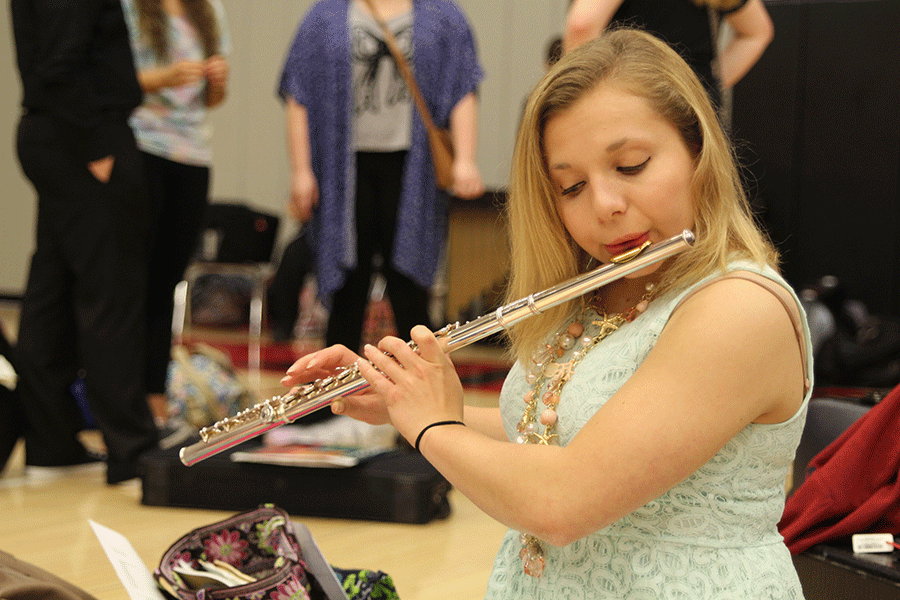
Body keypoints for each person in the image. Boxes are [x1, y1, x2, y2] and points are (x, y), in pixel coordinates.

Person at [283, 29, 812, 598]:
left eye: (631, 166)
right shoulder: (597, 295)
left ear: (698, 151)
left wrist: (431, 427)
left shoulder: (740, 309)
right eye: (572, 186)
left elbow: (562, 501)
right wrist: (406, 398)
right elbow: (554, 433)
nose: (605, 206)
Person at [278, 0, 485, 358]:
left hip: (412, 168)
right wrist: (301, 171)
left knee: (409, 282)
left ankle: (426, 387)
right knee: (347, 281)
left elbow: (462, 88)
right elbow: (299, 95)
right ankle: (333, 394)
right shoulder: (325, 17)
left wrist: (466, 160)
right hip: (343, 170)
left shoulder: (442, 16)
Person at [11, 0, 159, 484]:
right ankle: (131, 449)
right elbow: (60, 64)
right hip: (82, 136)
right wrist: (97, 146)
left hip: (63, 133)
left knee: (51, 293)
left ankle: (51, 440)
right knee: (111, 293)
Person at [120, 0, 231, 447]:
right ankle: (117, 404)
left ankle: (154, 403)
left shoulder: (209, 11)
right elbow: (110, 82)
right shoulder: (131, 8)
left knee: (167, 283)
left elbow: (214, 99)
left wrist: (218, 82)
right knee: (131, 283)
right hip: (142, 146)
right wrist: (164, 78)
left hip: (192, 155)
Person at [564, 0, 773, 110]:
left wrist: (577, 102)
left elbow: (582, 27)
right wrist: (704, 85)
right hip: (698, 108)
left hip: (635, 103)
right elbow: (757, 32)